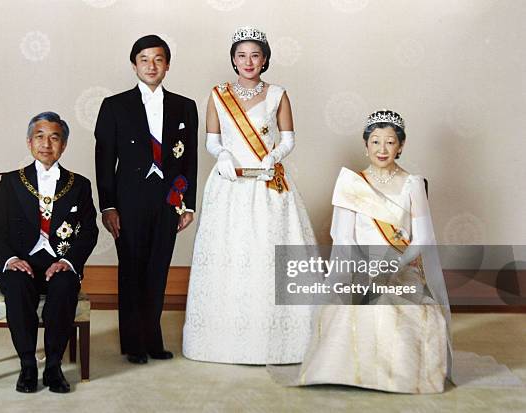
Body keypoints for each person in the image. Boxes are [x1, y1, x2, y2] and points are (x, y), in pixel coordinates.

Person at [271, 110, 453, 393]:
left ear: (401, 146)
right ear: (365, 145)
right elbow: (343, 238)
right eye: (376, 141)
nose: (382, 149)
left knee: (392, 308)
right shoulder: (351, 183)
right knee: (342, 307)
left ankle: (396, 378)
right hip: (358, 267)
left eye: (390, 142)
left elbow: (423, 239)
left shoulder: (412, 184)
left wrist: (391, 268)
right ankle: (344, 373)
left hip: (402, 270)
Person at [182, 27, 317, 364]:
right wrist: (223, 156)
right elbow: (212, 139)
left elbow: (288, 138)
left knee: (266, 255)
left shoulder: (278, 94)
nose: (248, 61)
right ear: (233, 59)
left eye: (255, 55)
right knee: (230, 253)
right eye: (241, 55)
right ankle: (222, 341)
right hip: (229, 183)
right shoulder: (218, 94)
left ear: (265, 59)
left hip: (267, 182)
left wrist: (274, 156)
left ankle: (277, 340)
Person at [94, 35, 198, 365]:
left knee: (158, 269)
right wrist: (107, 205)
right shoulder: (115, 105)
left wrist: (187, 203)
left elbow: (189, 160)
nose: (151, 66)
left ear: (167, 65)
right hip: (128, 201)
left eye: (158, 59)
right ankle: (133, 342)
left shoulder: (185, 106)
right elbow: (104, 159)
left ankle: (153, 338)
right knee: (132, 270)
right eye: (144, 59)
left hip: (167, 201)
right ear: (134, 65)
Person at [0, 112, 98, 393]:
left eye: (54, 137)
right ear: (29, 143)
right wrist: (11, 260)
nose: (47, 143)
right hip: (20, 262)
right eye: (40, 136)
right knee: (17, 286)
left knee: (65, 285)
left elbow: (89, 232)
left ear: (64, 145)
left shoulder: (80, 184)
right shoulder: (11, 182)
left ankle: (54, 366)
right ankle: (27, 365)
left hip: (58, 263)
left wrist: (68, 262)